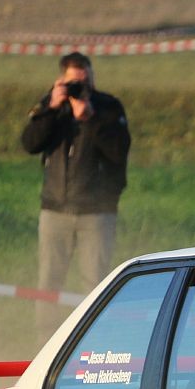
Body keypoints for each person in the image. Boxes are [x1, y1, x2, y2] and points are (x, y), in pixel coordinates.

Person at [20, 51, 131, 336]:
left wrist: (91, 121)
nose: (80, 89)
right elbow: (30, 143)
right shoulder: (52, 106)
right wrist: (51, 109)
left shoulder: (108, 108)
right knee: (48, 281)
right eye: (73, 83)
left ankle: (92, 339)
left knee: (94, 282)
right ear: (61, 81)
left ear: (92, 77)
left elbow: (119, 153)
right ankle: (45, 340)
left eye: (84, 81)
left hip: (96, 211)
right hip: (55, 208)